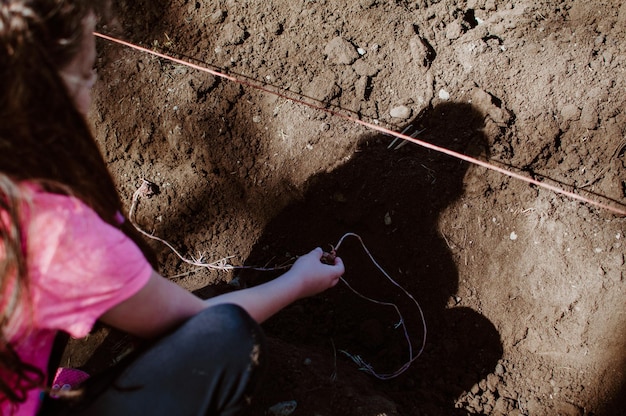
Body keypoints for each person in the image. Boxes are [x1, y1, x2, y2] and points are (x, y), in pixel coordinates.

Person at [0, 1, 345, 415]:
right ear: (49, 90)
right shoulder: (56, 233)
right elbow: (194, 321)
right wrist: (298, 282)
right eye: (89, 69)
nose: (94, 81)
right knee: (228, 340)